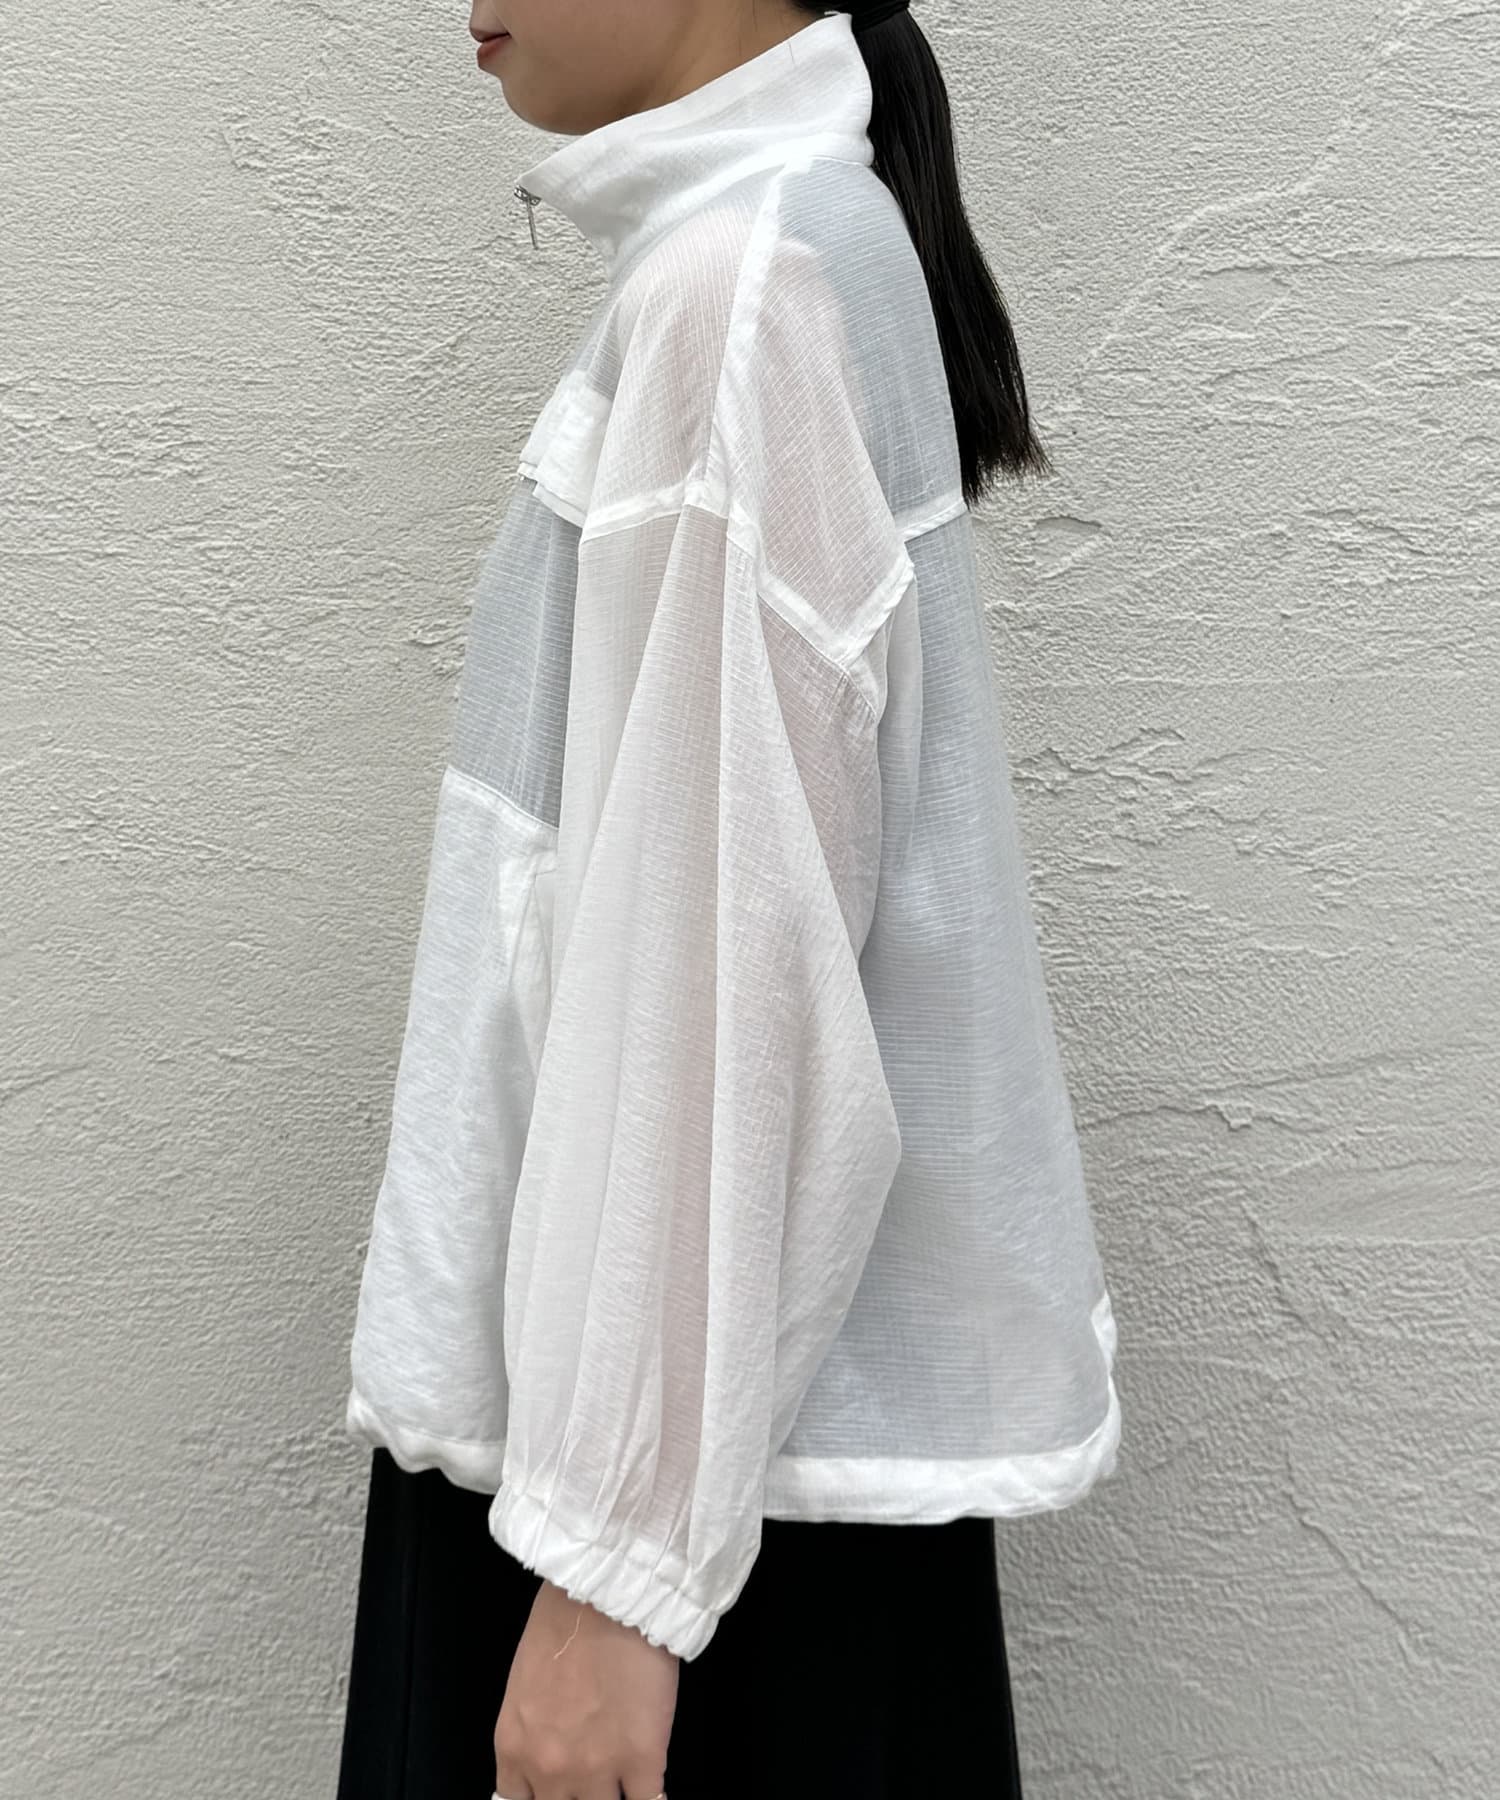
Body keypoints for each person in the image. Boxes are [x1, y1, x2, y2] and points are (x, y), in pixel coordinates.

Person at [335, 4, 1122, 1796]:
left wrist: (610, 1583)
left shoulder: (744, 285)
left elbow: (719, 964)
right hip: (724, 1474)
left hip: (676, 1529)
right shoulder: (794, 245)